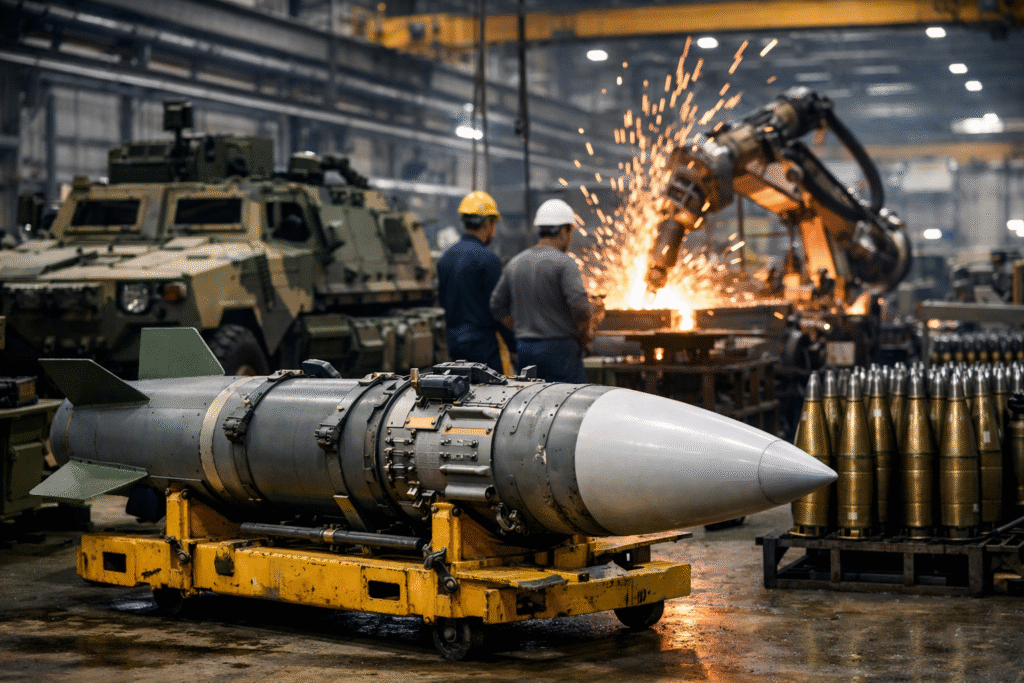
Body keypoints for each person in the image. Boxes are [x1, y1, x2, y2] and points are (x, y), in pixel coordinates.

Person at [490, 198, 595, 383]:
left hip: (526, 349)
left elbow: (496, 305)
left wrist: (520, 327)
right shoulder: (565, 263)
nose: (570, 239)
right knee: (569, 404)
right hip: (560, 350)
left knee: (532, 405)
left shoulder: (515, 263)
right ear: (563, 231)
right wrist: (585, 331)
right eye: (570, 232)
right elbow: (580, 307)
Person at [436, 191, 514, 372]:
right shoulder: (488, 259)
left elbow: (443, 299)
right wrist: (513, 344)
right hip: (482, 344)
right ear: (487, 223)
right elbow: (498, 308)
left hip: (454, 342)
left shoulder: (445, 258)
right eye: (494, 224)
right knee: (492, 395)